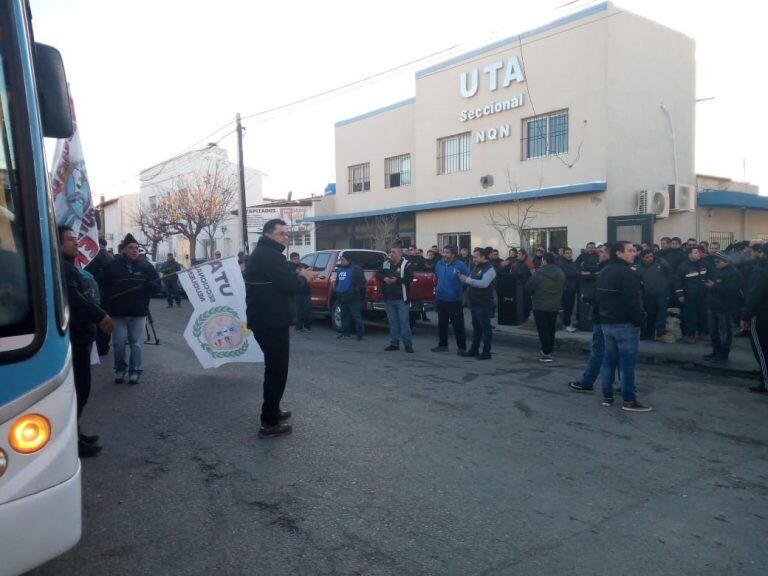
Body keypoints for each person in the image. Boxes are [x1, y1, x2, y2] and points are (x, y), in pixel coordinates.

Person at [246, 219, 316, 437]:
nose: (286, 237)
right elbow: (290, 285)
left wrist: (296, 277)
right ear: (268, 234)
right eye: (281, 234)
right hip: (271, 321)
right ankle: (269, 422)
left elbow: (278, 282)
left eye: (287, 234)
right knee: (276, 371)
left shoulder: (264, 254)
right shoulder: (270, 256)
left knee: (274, 369)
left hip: (267, 319)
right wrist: (304, 277)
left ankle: (273, 409)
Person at [59, 226, 114, 457]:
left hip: (82, 335)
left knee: (81, 389)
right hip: (76, 336)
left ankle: (76, 432)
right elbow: (74, 299)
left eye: (76, 239)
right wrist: (100, 315)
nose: (76, 243)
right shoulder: (63, 268)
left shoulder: (70, 267)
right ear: (58, 244)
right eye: (70, 240)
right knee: (79, 389)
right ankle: (72, 441)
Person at [595, 241, 651, 412]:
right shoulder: (628, 273)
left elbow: (597, 296)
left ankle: (607, 396)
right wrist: (640, 320)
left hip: (607, 322)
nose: (634, 253)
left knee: (609, 360)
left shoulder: (604, 271)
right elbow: (633, 301)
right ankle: (629, 400)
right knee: (627, 364)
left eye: (634, 250)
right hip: (624, 323)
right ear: (618, 253)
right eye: (630, 250)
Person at [102, 233, 159, 385]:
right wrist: (106, 303)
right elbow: (103, 287)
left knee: (136, 343)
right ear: (123, 250)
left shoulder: (146, 267)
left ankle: (135, 372)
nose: (135, 251)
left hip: (138, 312)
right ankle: (120, 369)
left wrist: (151, 286)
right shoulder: (111, 266)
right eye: (131, 248)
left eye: (137, 248)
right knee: (118, 343)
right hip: (117, 313)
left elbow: (157, 287)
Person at [568, 245, 610, 392]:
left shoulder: (607, 270)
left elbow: (600, 292)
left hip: (605, 317)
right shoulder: (605, 268)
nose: (599, 254)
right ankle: (624, 386)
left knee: (598, 351)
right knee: (614, 353)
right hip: (609, 317)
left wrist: (587, 298)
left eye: (602, 252)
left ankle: (587, 383)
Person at [526, 252, 565, 363]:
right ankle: (549, 348)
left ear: (545, 260)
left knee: (543, 329)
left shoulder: (540, 273)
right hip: (555, 305)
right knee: (551, 328)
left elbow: (528, 287)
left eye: (543, 260)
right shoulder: (560, 272)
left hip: (540, 304)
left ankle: (546, 352)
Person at [459, 247, 496, 360]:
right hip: (474, 302)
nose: (473, 259)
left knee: (485, 328)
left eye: (476, 257)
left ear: (483, 257)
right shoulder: (476, 267)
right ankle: (474, 349)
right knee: (476, 328)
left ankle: (486, 352)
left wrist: (467, 280)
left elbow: (484, 283)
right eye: (473, 256)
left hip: (483, 303)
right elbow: (470, 279)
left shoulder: (490, 269)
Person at [376, 244, 415, 353]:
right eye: (390, 252)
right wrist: (384, 278)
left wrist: (396, 280)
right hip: (388, 298)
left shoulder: (407, 265)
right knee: (392, 322)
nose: (391, 254)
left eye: (393, 252)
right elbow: (377, 274)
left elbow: (410, 279)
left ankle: (408, 345)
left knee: (404, 322)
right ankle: (394, 343)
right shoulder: (386, 263)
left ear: (399, 253)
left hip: (401, 298)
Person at [704, 252, 741, 363]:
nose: (715, 263)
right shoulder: (716, 271)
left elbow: (731, 290)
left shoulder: (734, 273)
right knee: (713, 330)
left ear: (726, 261)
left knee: (725, 331)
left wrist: (714, 286)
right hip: (712, 305)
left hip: (724, 306)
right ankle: (716, 351)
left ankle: (724, 354)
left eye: (718, 261)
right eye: (715, 261)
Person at [432, 245, 469, 354]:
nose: (445, 254)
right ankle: (443, 345)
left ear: (453, 254)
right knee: (442, 324)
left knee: (458, 324)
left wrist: (459, 289)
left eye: (447, 252)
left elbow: (468, 278)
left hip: (454, 300)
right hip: (441, 299)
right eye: (444, 252)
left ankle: (462, 347)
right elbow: (437, 277)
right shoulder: (439, 264)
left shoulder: (460, 265)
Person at [741, 243, 768, 393]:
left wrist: (746, 315)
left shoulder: (761, 269)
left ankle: (766, 381)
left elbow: (755, 294)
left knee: (761, 349)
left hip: (760, 314)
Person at [674, 246, 710, 343]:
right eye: (696, 253)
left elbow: (709, 275)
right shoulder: (683, 266)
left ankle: (703, 333)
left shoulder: (704, 263)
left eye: (699, 252)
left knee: (703, 315)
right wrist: (680, 295)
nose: (698, 254)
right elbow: (677, 282)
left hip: (703, 295)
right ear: (690, 254)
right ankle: (691, 335)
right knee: (691, 316)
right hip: (690, 296)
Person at [85, 236, 114, 356]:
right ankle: (104, 346)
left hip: (94, 293)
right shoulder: (110, 257)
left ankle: (97, 347)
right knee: (105, 318)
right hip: (108, 294)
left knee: (96, 319)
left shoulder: (92, 257)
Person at [636, 250, 672, 340]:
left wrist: (667, 285)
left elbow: (670, 273)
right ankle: (649, 333)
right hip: (649, 293)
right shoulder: (639, 267)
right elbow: (637, 280)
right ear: (642, 258)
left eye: (651, 256)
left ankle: (660, 329)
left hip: (662, 291)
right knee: (650, 313)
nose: (650, 258)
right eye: (647, 257)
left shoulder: (661, 262)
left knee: (662, 310)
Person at [335, 253, 365, 340]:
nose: (341, 261)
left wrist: (356, 289)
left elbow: (362, 281)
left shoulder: (356, 269)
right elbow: (337, 281)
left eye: (343, 259)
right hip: (342, 296)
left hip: (353, 297)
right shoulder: (340, 269)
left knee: (356, 316)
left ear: (348, 260)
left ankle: (360, 334)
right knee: (344, 316)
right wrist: (337, 290)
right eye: (341, 259)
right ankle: (345, 333)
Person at [288, 252, 313, 332]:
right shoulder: (289, 267)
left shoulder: (303, 265)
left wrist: (310, 270)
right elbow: (290, 276)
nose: (297, 260)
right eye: (294, 259)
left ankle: (307, 326)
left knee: (307, 310)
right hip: (297, 292)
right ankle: (298, 327)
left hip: (306, 291)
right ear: (291, 260)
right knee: (299, 310)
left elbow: (312, 270)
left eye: (298, 258)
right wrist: (297, 272)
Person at [557, 247, 579, 333]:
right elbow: (571, 273)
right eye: (567, 253)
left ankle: (567, 323)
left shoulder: (573, 263)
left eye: (570, 252)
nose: (569, 254)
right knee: (567, 308)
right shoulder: (561, 263)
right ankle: (566, 325)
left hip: (572, 288)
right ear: (563, 254)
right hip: (565, 288)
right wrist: (577, 272)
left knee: (569, 307)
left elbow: (576, 272)